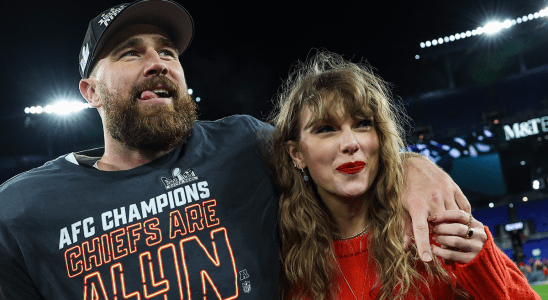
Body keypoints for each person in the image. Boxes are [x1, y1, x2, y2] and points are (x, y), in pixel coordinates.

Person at [0, 1, 469, 299]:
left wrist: (411, 164)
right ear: (90, 91)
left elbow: (333, 153)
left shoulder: (245, 145)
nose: (156, 63)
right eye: (129, 52)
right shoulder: (21, 211)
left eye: (168, 52)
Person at [269, 50, 540, 299]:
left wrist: (481, 264)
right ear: (297, 154)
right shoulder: (283, 261)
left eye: (363, 124)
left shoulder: (431, 227)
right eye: (326, 129)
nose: (350, 143)